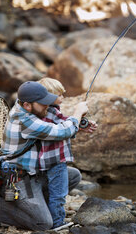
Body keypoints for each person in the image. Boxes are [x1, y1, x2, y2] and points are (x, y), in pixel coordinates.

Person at [0, 81, 97, 231]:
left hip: (34, 174)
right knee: (43, 224)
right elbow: (61, 132)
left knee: (73, 176)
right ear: (28, 105)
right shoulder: (24, 120)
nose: (47, 106)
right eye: (43, 104)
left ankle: (36, 207)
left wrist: (78, 125)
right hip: (18, 180)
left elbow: (52, 125)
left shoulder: (27, 107)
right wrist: (77, 113)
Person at [38, 77, 84, 229]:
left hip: (47, 161)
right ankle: (57, 222)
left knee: (56, 191)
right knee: (59, 193)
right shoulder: (52, 112)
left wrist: (81, 122)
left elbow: (67, 122)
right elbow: (66, 127)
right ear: (49, 97)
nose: (63, 98)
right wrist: (80, 111)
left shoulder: (43, 112)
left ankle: (52, 215)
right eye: (59, 95)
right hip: (57, 161)